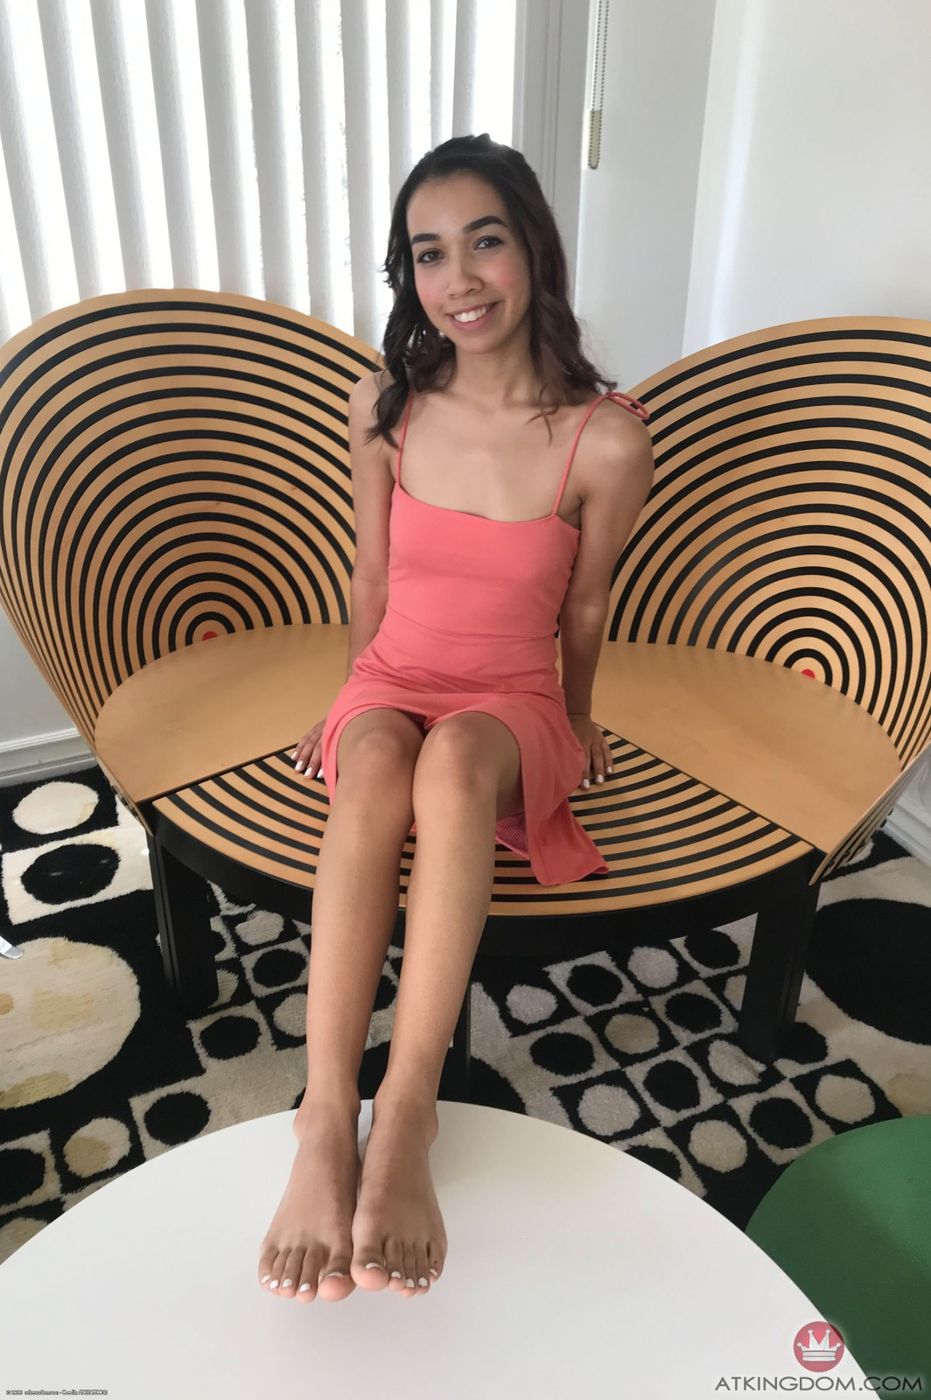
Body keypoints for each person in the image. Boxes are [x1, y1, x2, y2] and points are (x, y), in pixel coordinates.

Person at [257, 133, 655, 1303]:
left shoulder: (606, 434)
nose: (459, 279)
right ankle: (325, 1116)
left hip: (509, 698)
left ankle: (408, 1110)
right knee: (381, 755)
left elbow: (586, 606)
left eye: (485, 241)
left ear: (534, 247)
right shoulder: (382, 408)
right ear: (408, 275)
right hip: (394, 670)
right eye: (428, 254)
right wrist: (347, 700)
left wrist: (576, 721)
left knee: (457, 763)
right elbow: (371, 577)